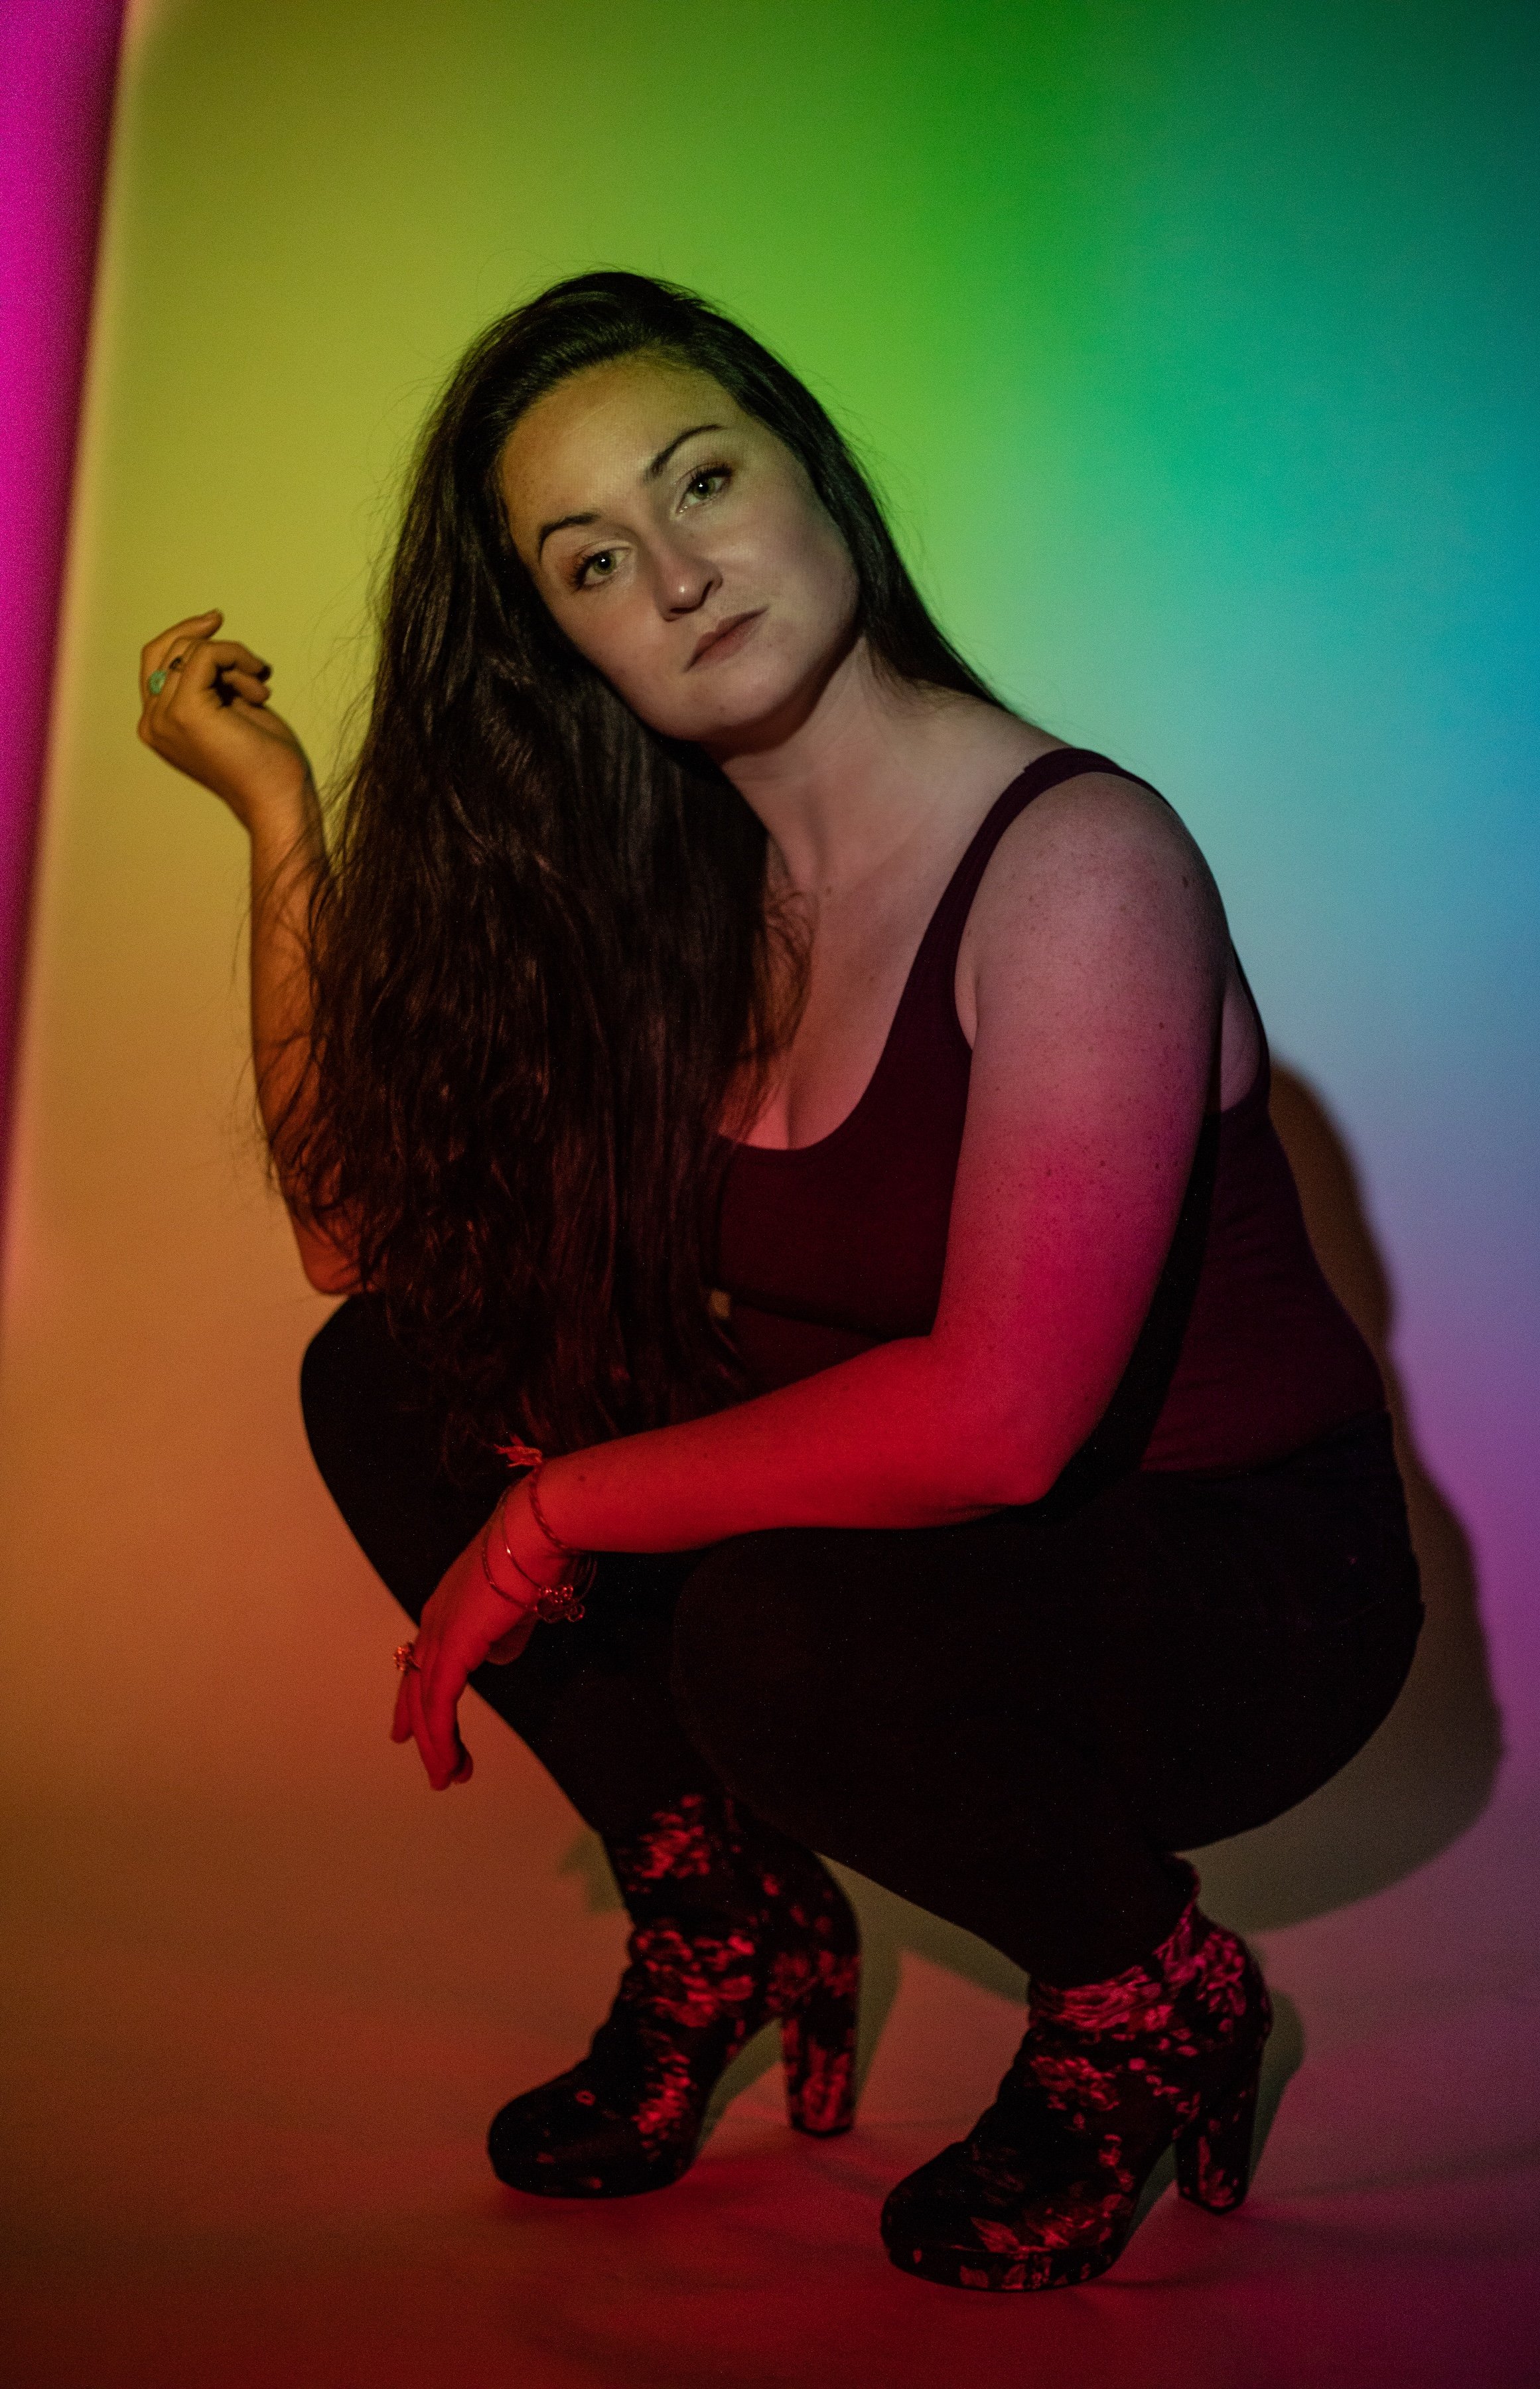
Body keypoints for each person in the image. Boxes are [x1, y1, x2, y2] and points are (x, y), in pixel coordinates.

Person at [135, 271, 1422, 2293]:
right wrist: (278, 816)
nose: (677, 572)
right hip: (896, 1538)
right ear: (564, 642)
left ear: (811, 467)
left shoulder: (1081, 865)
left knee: (777, 1632)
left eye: (702, 480)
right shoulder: (674, 893)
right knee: (390, 1373)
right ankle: (725, 1911)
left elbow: (998, 1427)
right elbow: (353, 1236)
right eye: (591, 561)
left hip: (1229, 1577)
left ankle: (1147, 1990)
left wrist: (557, 1510)